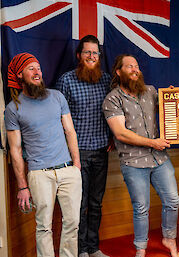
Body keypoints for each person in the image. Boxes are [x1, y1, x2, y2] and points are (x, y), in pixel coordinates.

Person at [102, 54, 179, 257]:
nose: (135, 69)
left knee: (173, 200)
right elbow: (120, 133)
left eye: (136, 66)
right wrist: (152, 142)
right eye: (129, 67)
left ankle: (169, 239)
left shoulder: (150, 91)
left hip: (159, 159)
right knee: (141, 208)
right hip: (133, 162)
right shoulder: (112, 99)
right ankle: (141, 249)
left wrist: (173, 98)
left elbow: (169, 110)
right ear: (119, 72)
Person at [5, 53, 82, 257]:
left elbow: (70, 131)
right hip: (39, 174)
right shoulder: (13, 109)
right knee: (43, 227)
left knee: (73, 223)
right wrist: (22, 186)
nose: (37, 72)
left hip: (68, 170)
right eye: (31, 68)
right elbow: (15, 150)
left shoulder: (57, 96)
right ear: (20, 75)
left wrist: (76, 164)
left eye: (38, 67)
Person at [56, 35, 111, 257]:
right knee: (79, 204)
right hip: (77, 155)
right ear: (79, 55)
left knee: (96, 203)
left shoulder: (107, 80)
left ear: (99, 56)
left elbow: (118, 110)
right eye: (87, 52)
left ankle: (93, 247)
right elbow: (58, 119)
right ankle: (80, 251)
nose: (91, 56)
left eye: (95, 53)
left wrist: (113, 137)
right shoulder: (66, 81)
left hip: (101, 151)